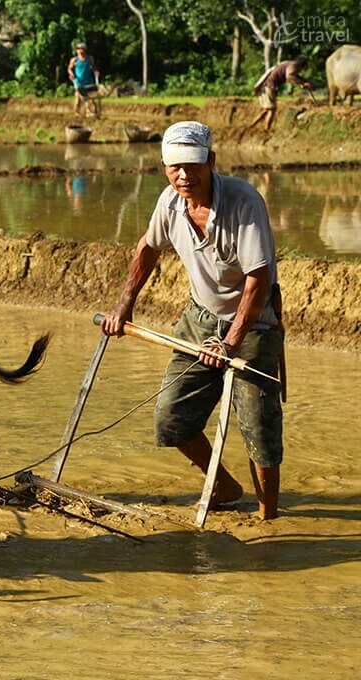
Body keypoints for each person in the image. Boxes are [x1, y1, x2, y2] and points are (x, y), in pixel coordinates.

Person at [100, 121, 285, 520]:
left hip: (253, 325)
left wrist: (231, 342)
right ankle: (223, 485)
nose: (184, 175)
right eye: (174, 167)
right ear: (165, 168)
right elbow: (147, 248)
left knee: (258, 428)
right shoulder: (170, 202)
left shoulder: (243, 201)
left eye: (192, 165)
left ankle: (268, 518)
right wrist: (124, 305)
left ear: (210, 161)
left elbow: (258, 279)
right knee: (171, 418)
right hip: (200, 318)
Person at [250, 57, 311, 131]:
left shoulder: (289, 64)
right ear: (301, 65)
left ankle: (252, 126)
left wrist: (304, 81)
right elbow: (289, 77)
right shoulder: (293, 66)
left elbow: (295, 76)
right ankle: (266, 130)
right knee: (272, 110)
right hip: (269, 86)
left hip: (266, 86)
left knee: (266, 110)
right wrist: (303, 83)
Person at [67, 42, 100, 117]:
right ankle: (76, 113)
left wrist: (95, 72)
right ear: (76, 50)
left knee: (91, 99)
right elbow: (69, 68)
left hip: (89, 81)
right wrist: (71, 74)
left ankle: (93, 113)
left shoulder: (90, 58)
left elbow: (93, 67)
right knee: (78, 99)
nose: (80, 51)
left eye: (82, 49)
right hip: (79, 82)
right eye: (78, 49)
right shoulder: (74, 60)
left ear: (85, 50)